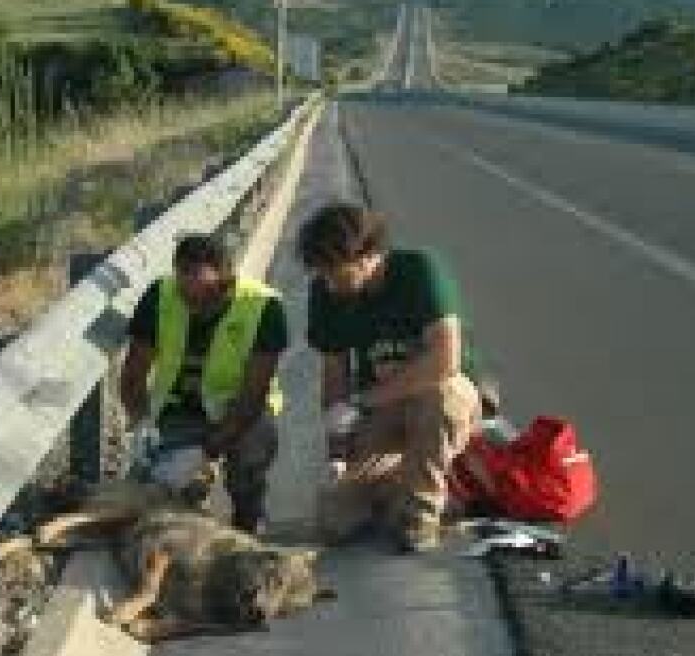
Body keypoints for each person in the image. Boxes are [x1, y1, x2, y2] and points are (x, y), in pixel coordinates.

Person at [298, 202, 481, 553]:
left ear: (369, 254)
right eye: (321, 273)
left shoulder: (418, 271)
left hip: (437, 400)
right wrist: (337, 448)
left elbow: (445, 360)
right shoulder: (325, 294)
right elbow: (334, 374)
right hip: (381, 410)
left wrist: (360, 402)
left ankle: (421, 514)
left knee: (442, 395)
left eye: (335, 271)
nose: (328, 282)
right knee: (334, 521)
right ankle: (405, 481)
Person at [120, 234, 288, 534]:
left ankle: (248, 516)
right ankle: (192, 500)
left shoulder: (264, 308)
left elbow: (252, 399)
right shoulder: (161, 295)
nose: (193, 306)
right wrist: (141, 423)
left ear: (226, 280)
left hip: (240, 413)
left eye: (203, 297)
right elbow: (133, 374)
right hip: (179, 409)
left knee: (252, 449)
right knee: (158, 487)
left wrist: (203, 454)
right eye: (186, 295)